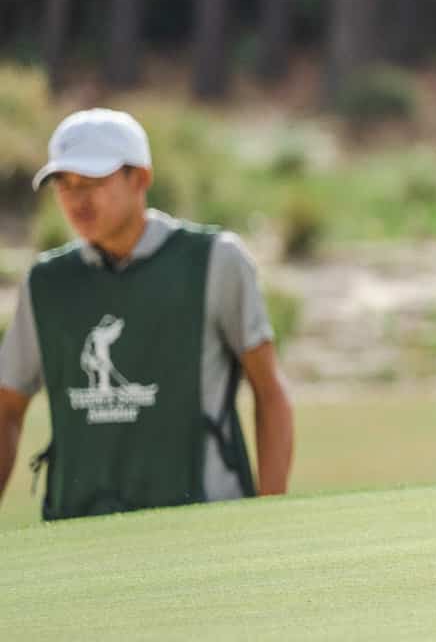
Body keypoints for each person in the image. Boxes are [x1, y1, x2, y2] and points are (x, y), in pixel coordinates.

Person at [0, 109, 295, 519]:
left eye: (93, 181)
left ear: (140, 178)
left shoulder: (215, 260)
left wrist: (272, 515)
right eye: (64, 184)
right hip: (77, 532)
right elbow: (7, 407)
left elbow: (270, 390)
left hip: (204, 523)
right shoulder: (45, 282)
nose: (77, 198)